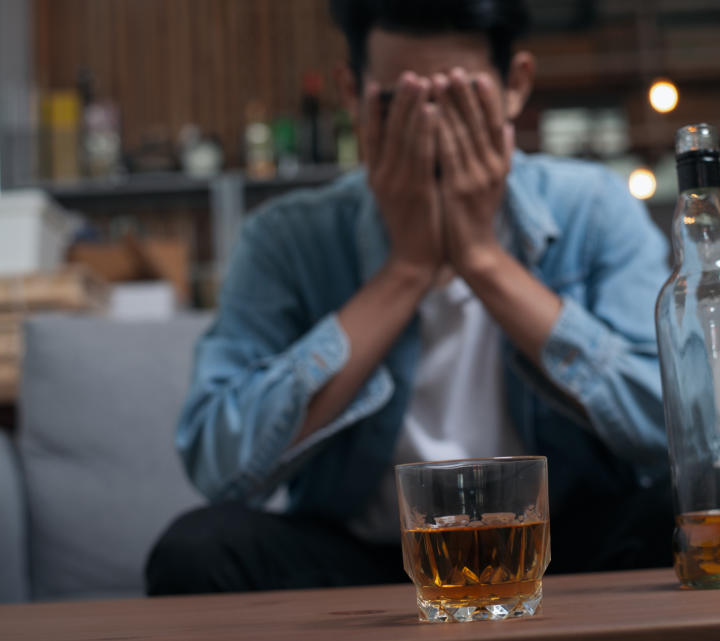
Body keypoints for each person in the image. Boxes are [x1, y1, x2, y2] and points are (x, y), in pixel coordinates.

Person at [146, 0, 674, 596]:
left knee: (690, 515)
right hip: (365, 560)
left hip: (558, 549)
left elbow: (674, 431)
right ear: (353, 94)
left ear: (514, 87)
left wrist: (483, 261)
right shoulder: (287, 238)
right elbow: (219, 464)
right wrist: (406, 270)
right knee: (197, 550)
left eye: (459, 99)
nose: (430, 129)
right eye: (401, 103)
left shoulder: (593, 208)